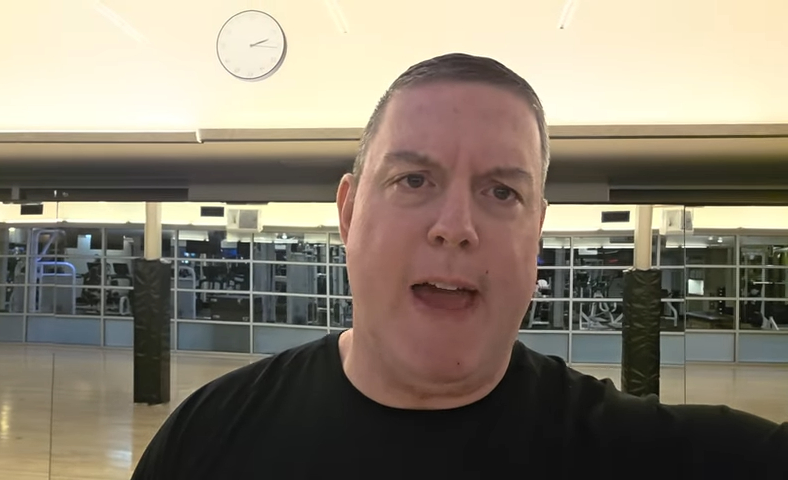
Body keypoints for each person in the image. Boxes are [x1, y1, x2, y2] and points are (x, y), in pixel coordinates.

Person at [131, 53, 788, 479]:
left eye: (501, 192)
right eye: (414, 179)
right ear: (349, 212)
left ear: (535, 235)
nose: (456, 228)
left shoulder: (653, 457)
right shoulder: (209, 439)